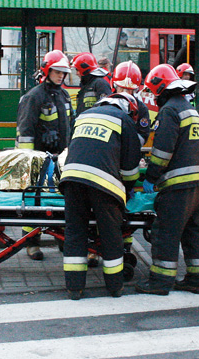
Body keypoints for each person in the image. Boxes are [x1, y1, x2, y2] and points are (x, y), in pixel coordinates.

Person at [135, 64, 199, 296]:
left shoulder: (169, 111)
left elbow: (162, 152)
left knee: (165, 231)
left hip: (179, 184)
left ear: (160, 88)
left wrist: (151, 176)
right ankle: (197, 279)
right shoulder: (189, 108)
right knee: (194, 232)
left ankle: (160, 281)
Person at [60, 93, 142, 300]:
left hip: (71, 179)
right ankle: (115, 287)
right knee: (110, 233)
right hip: (104, 185)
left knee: (75, 231)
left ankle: (74, 288)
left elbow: (73, 148)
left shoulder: (83, 115)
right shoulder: (124, 120)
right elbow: (131, 168)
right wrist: (127, 188)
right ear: (129, 109)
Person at [16, 50, 73, 260]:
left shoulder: (64, 95)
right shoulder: (34, 96)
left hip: (61, 159)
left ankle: (62, 240)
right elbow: (24, 131)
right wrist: (29, 162)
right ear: (47, 71)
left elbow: (71, 125)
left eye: (63, 73)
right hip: (38, 160)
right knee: (36, 202)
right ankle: (32, 244)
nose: (61, 76)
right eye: (57, 72)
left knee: (59, 201)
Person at [112, 61, 152, 145]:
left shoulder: (141, 108)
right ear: (115, 86)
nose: (124, 92)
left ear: (135, 90)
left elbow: (143, 135)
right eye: (121, 88)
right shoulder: (104, 103)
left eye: (129, 90)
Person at [72, 52, 113, 117]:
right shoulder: (86, 85)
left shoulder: (100, 84)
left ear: (85, 70)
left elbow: (106, 110)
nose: (77, 73)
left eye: (77, 70)